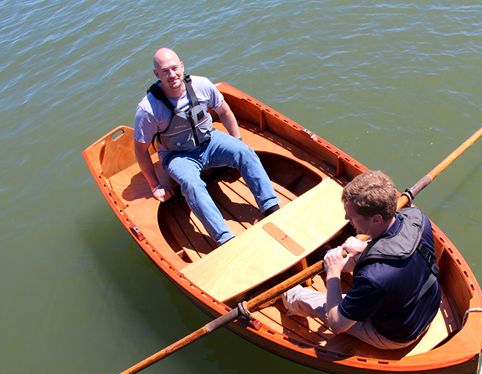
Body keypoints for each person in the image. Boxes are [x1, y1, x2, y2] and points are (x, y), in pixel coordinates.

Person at [133, 48, 279, 245]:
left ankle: (270, 206)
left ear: (182, 66)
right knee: (191, 184)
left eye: (175, 68)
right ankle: (225, 239)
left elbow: (224, 110)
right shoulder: (148, 109)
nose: (172, 75)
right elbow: (141, 151)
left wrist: (236, 140)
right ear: (156, 74)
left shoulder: (201, 85)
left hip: (210, 141)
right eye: (165, 71)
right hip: (178, 156)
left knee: (245, 153)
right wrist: (155, 185)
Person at [283, 171, 441, 350]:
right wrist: (366, 249)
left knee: (302, 297)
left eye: (351, 216)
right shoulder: (417, 219)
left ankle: (289, 297)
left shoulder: (374, 278)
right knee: (356, 267)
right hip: (426, 309)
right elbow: (400, 253)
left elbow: (337, 323)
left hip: (398, 334)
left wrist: (333, 273)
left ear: (376, 219)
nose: (346, 219)